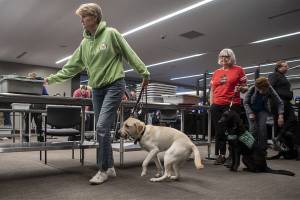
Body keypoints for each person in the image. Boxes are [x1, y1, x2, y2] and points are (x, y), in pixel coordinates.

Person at [44, 3, 150, 185]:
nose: (82, 21)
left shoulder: (111, 34)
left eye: (84, 17)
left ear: (94, 17)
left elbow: (129, 53)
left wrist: (144, 73)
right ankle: (109, 167)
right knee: (104, 130)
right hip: (97, 89)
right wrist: (52, 79)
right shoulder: (85, 43)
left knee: (101, 127)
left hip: (115, 85)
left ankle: (102, 169)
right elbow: (71, 66)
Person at [210, 48, 248, 165]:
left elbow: (245, 87)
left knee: (232, 131)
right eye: (221, 57)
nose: (224, 59)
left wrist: (241, 88)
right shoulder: (216, 72)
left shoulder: (239, 70)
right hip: (217, 104)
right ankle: (221, 155)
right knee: (219, 131)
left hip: (232, 104)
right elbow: (212, 89)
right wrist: (211, 104)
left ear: (231, 57)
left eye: (226, 56)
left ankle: (232, 155)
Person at [244, 77, 284, 154]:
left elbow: (279, 102)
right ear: (257, 87)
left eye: (264, 89)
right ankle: (251, 149)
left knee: (263, 129)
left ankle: (262, 150)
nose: (262, 91)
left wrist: (281, 115)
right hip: (251, 111)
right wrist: (250, 113)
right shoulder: (252, 89)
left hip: (263, 110)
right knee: (253, 129)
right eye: (260, 89)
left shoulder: (270, 89)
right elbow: (245, 103)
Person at [268, 60, 299, 159]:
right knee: (290, 121)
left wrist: (289, 94)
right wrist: (285, 94)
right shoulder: (273, 75)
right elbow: (270, 89)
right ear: (278, 67)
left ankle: (282, 145)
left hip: (286, 102)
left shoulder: (283, 77)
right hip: (279, 103)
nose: (287, 68)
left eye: (287, 66)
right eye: (285, 66)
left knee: (288, 123)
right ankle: (279, 140)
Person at [25, 72, 48, 142]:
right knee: (27, 125)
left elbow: (46, 96)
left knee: (39, 124)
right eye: (30, 78)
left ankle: (40, 139)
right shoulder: (26, 86)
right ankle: (26, 139)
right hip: (28, 107)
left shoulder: (41, 86)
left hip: (38, 107)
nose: (31, 79)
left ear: (35, 78)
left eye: (33, 78)